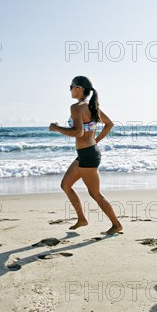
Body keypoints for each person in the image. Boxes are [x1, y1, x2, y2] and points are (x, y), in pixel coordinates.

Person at [49, 76, 123, 235]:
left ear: (79, 88)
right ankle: (82, 219)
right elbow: (109, 124)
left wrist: (57, 128)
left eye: (71, 86)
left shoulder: (77, 108)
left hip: (88, 156)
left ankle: (116, 224)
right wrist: (95, 140)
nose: (69, 89)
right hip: (87, 153)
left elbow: (78, 132)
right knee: (66, 185)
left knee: (95, 194)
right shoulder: (91, 106)